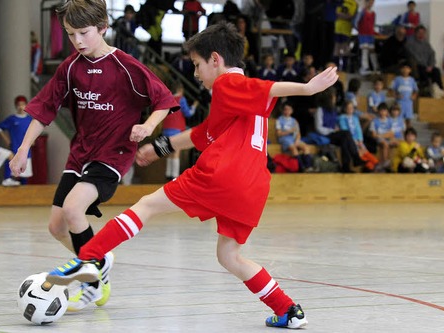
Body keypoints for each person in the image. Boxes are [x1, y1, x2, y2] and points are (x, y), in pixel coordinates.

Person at [45, 22, 341, 329]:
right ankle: (288, 310)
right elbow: (204, 132)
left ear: (215, 59)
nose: (197, 74)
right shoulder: (239, 101)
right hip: (253, 187)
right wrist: (161, 146)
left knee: (146, 205)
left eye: (198, 65)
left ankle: (88, 258)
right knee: (230, 256)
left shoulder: (229, 84)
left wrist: (308, 88)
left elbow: (268, 87)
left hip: (221, 175)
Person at [9, 0, 179, 311]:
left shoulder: (126, 66)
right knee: (57, 227)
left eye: (84, 33)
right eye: (71, 34)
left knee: (74, 209)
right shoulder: (70, 67)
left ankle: (94, 272)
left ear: (103, 28)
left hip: (113, 154)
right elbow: (43, 110)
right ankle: (100, 264)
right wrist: (22, 150)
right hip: (80, 154)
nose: (77, 41)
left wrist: (148, 125)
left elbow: (164, 100)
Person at [312, 88, 363, 173]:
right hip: (325, 134)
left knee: (345, 140)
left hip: (333, 133)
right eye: (334, 97)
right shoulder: (320, 110)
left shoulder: (334, 110)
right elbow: (318, 127)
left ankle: (346, 166)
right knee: (346, 134)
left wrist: (336, 128)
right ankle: (355, 157)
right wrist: (331, 130)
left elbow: (334, 123)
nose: (335, 99)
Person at [162, 80, 197, 180]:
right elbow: (188, 113)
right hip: (176, 129)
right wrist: (194, 106)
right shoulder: (181, 99)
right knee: (176, 152)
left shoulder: (167, 99)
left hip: (166, 128)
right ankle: (174, 175)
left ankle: (168, 174)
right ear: (180, 90)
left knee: (169, 151)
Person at [0, 95, 33, 184]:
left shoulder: (29, 119)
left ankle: (24, 194)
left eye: (23, 104)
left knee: (24, 174)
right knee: (12, 174)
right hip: (15, 149)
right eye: (19, 105)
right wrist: (6, 140)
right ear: (16, 106)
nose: (21, 107)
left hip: (27, 151)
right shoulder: (12, 119)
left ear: (26, 105)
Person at [405, 25, 444, 98]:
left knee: (436, 71)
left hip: (427, 66)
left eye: (423, 33)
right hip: (417, 65)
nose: (421, 35)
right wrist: (425, 66)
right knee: (422, 71)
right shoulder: (410, 43)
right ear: (415, 33)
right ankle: (426, 90)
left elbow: (432, 54)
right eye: (419, 33)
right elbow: (413, 56)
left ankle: (440, 90)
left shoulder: (426, 43)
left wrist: (431, 65)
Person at [339, 100, 378, 171]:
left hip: (358, 140)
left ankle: (375, 164)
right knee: (360, 153)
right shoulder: (342, 118)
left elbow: (358, 129)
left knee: (364, 150)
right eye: (349, 108)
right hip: (350, 140)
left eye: (352, 108)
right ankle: (372, 166)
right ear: (345, 109)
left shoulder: (355, 118)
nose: (350, 110)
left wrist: (360, 140)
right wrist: (354, 141)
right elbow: (344, 130)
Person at [369, 103, 397, 171]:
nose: (382, 112)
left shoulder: (390, 120)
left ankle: (393, 165)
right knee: (385, 144)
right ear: (378, 111)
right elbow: (373, 135)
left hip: (386, 138)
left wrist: (381, 135)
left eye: (384, 111)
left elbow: (392, 134)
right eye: (381, 111)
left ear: (387, 111)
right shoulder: (374, 121)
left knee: (397, 143)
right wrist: (383, 135)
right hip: (379, 139)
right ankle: (385, 163)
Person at [390, 62, 418, 128]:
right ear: (401, 69)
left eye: (407, 68)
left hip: (409, 103)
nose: (405, 70)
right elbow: (391, 89)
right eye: (404, 68)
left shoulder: (412, 80)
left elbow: (416, 90)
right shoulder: (397, 79)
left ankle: (408, 133)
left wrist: (414, 96)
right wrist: (396, 96)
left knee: (408, 120)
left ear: (410, 70)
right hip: (400, 102)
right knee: (399, 119)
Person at [356, 0, 379, 75]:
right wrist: (360, 31)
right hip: (363, 35)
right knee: (365, 50)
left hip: (370, 35)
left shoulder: (373, 13)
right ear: (366, 2)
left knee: (372, 50)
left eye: (372, 2)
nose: (371, 4)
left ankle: (376, 67)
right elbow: (356, 22)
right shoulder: (362, 12)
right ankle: (365, 67)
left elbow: (372, 25)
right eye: (369, 2)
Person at [333, 0, 358, 70]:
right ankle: (335, 67)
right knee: (336, 48)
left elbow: (350, 16)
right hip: (337, 28)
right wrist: (344, 16)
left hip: (346, 30)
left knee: (345, 48)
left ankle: (344, 68)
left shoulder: (353, 3)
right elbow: (337, 13)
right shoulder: (341, 1)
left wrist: (342, 15)